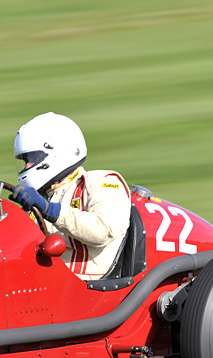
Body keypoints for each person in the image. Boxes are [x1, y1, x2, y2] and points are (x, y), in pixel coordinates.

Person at [10, 112, 131, 280]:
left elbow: (103, 231)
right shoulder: (43, 195)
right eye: (25, 161)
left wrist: (49, 210)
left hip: (82, 285)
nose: (28, 166)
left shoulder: (103, 183)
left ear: (57, 154)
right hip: (42, 278)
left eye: (34, 158)